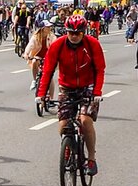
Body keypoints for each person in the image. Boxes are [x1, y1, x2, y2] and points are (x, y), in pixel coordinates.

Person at [37, 13, 105, 176]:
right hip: (67, 87)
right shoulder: (58, 45)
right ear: (66, 31)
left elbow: (100, 70)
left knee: (85, 120)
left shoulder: (92, 44)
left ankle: (91, 158)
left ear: (83, 32)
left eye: (78, 33)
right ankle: (68, 147)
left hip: (88, 87)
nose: (74, 36)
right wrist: (41, 94)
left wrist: (97, 92)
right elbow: (47, 71)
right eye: (71, 33)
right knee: (63, 124)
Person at [24, 18, 55, 94]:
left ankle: (50, 98)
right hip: (38, 56)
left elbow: (55, 44)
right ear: (42, 29)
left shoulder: (51, 36)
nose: (49, 29)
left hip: (48, 57)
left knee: (50, 78)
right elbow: (30, 46)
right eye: (47, 27)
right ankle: (34, 80)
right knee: (34, 61)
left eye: (49, 27)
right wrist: (26, 54)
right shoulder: (35, 37)